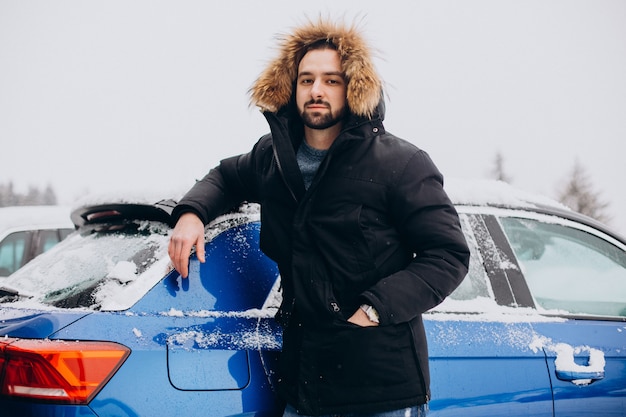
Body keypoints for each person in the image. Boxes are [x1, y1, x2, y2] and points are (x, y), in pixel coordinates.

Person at [168, 17, 470, 417]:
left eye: (332, 80)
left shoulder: (401, 163)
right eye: (306, 79)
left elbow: (448, 254)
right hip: (304, 383)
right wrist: (191, 214)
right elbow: (225, 176)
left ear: (354, 88)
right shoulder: (272, 158)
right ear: (291, 87)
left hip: (380, 385)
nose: (316, 91)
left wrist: (374, 309)